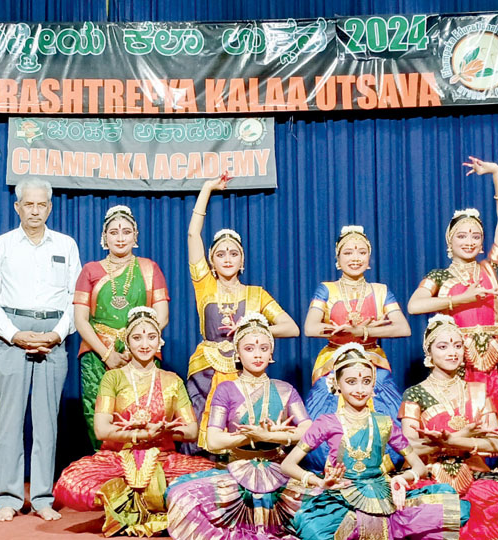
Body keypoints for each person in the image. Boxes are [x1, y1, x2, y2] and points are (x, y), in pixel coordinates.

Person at [408, 157, 498, 457]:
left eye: (475, 236)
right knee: (466, 419)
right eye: (461, 236)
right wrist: (461, 300)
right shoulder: (439, 276)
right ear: (449, 242)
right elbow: (415, 306)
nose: (469, 241)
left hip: (493, 359)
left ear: (482, 243)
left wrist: (497, 173)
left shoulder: (491, 268)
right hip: (459, 359)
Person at [281, 343, 469, 540]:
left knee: (452, 507)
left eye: (367, 381)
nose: (360, 389)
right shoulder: (326, 423)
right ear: (337, 384)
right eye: (351, 382)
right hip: (341, 497)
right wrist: (320, 482)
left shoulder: (384, 422)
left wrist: (401, 479)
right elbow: (288, 464)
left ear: (373, 385)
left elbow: (419, 467)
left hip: (382, 495)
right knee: (316, 531)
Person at [54, 307, 213, 536]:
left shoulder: (172, 380)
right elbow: (101, 430)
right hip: (119, 461)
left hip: (163, 460)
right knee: (70, 482)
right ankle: (144, 502)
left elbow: (191, 431)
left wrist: (163, 433)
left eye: (151, 337)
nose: (145, 344)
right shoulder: (113, 377)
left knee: (214, 479)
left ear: (160, 342)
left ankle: (139, 503)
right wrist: (138, 435)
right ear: (127, 342)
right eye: (137, 338)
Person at [400, 315, 498, 540]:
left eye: (457, 345)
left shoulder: (477, 390)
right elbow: (407, 446)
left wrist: (453, 441)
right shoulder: (414, 393)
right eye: (443, 346)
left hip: (474, 475)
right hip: (430, 476)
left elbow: (495, 443)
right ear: (430, 353)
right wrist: (445, 444)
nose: (452, 352)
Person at [0, 178, 81, 522]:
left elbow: (75, 298)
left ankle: (41, 497)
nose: (35, 211)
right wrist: (13, 334)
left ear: (49, 208)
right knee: (9, 421)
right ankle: (8, 497)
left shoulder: (66, 245)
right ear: (17, 207)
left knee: (46, 422)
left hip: (54, 336)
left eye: (42, 205)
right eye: (29, 204)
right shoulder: (1, 245)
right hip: (12, 335)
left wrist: (56, 333)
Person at [165, 313, 314, 540]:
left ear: (271, 353)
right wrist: (248, 437)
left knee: (330, 497)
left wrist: (272, 436)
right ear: (237, 353)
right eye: (249, 348)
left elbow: (308, 431)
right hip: (237, 471)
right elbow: (214, 440)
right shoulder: (226, 389)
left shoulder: (285, 389)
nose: (257, 354)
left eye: (264, 348)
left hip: (281, 472)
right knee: (180, 496)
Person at [186, 174, 298, 453]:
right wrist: (207, 188)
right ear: (211, 260)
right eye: (220, 254)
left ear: (242, 260)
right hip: (206, 371)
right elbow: (192, 235)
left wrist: (252, 331)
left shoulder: (256, 294)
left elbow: (291, 327)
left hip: (242, 370)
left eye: (233, 253)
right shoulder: (205, 286)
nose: (227, 258)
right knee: (202, 436)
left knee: (242, 427)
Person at [302, 225, 410, 469]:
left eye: (361, 252)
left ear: (369, 259)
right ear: (338, 260)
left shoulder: (380, 291)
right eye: (348, 252)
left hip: (372, 358)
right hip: (334, 359)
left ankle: (378, 463)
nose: (355, 258)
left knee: (382, 396)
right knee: (325, 398)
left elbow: (403, 328)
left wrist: (363, 332)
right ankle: (334, 463)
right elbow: (310, 327)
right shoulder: (326, 289)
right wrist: (342, 330)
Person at [75, 205, 169, 449]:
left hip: (142, 352)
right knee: (98, 411)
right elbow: (80, 320)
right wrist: (107, 354)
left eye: (126, 232)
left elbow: (163, 316)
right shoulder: (90, 270)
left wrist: (137, 345)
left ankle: (141, 471)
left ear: (135, 236)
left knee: (142, 411)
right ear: (104, 237)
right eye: (113, 232)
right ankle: (105, 470)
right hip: (97, 354)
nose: (120, 237)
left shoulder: (150, 269)